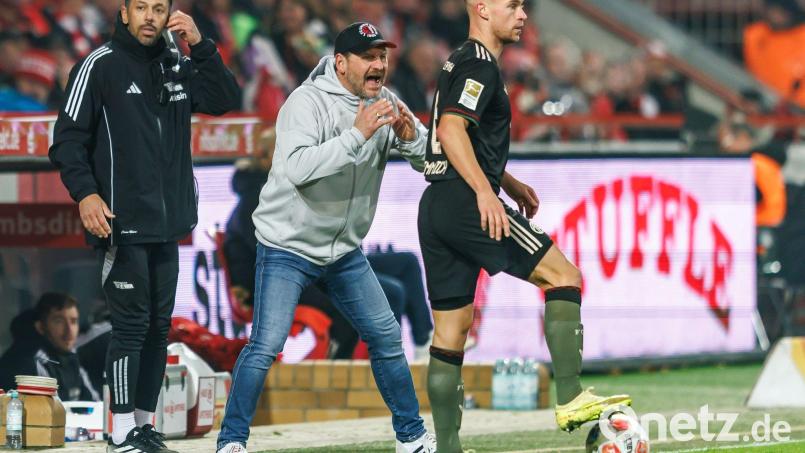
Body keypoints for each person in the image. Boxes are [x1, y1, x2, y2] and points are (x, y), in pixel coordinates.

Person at [417, 1, 631, 451]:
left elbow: (457, 136)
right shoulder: (480, 64)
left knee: (451, 332)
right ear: (482, 8)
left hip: (436, 202)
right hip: (464, 202)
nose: (522, 14)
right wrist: (484, 191)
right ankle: (570, 397)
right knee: (564, 276)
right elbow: (452, 130)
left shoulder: (459, 59)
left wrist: (506, 181)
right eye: (511, 5)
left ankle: (448, 447)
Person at [216, 22, 435, 453]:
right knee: (266, 345)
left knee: (386, 335)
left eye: (382, 56)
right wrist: (358, 135)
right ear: (340, 63)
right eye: (367, 57)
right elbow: (298, 168)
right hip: (287, 246)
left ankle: (411, 438)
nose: (378, 64)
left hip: (342, 251)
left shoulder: (387, 101)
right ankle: (231, 442)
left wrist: (413, 142)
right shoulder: (305, 102)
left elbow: (429, 160)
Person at [48, 0, 240, 451]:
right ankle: (119, 433)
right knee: (131, 327)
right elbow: (67, 140)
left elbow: (224, 100)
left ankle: (143, 426)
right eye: (141, 7)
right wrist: (86, 194)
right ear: (124, 12)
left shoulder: (177, 63)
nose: (150, 16)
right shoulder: (98, 65)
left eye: (158, 8)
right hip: (120, 222)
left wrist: (201, 45)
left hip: (168, 225)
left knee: (158, 329)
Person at [0, 293, 99, 402]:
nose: (69, 331)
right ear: (40, 327)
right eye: (59, 321)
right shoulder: (31, 362)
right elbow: (50, 410)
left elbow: (95, 402)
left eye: (73, 321)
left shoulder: (71, 355)